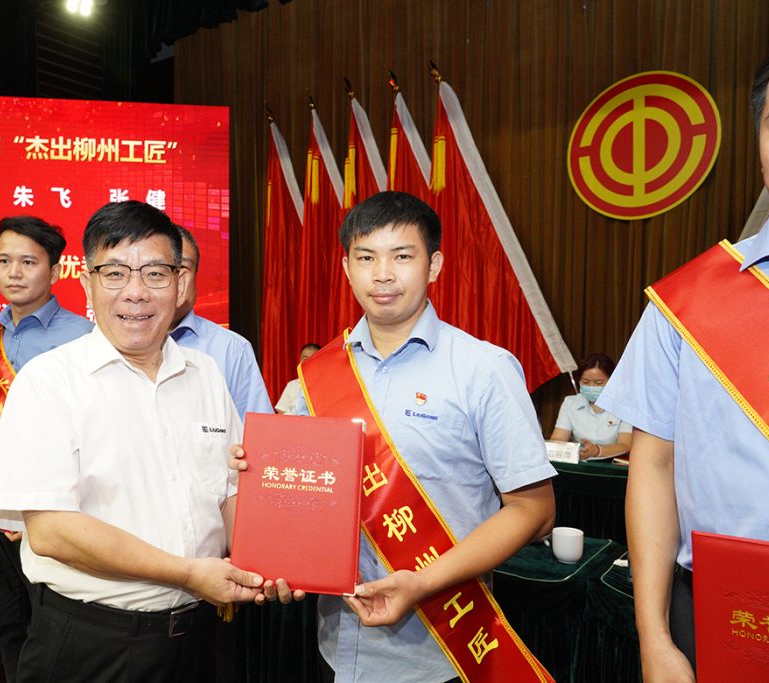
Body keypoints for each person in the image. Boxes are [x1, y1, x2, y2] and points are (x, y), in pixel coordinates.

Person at [235, 191, 557, 682]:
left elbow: (534, 510)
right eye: (366, 258)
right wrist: (258, 478)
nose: (382, 274)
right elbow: (300, 498)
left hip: (441, 649)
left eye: (402, 256)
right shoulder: (315, 378)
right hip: (334, 645)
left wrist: (424, 582)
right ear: (346, 268)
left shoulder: (484, 369)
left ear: (434, 265)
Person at [0, 200, 266, 683]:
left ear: (180, 284)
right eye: (114, 274)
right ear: (87, 283)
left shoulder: (207, 374)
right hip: (92, 643)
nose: (136, 292)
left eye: (155, 273)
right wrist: (188, 573)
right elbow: (51, 531)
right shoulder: (49, 381)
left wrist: (270, 563)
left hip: (201, 636)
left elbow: (230, 491)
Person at [598, 43, 769, 681]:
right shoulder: (689, 303)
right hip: (720, 614)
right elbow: (652, 467)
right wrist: (654, 638)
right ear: (759, 144)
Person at [0, 216, 93, 683]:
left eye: (28, 262)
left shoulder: (82, 337)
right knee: (6, 625)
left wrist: (33, 509)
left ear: (55, 271)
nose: (13, 272)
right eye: (4, 260)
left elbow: (91, 431)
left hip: (53, 512)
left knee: (53, 629)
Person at [170, 225, 273, 421]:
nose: (173, 279)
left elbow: (254, 432)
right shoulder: (113, 342)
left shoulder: (233, 349)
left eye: (181, 268)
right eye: (157, 270)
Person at [548, 353, 632, 460]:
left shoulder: (625, 405)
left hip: (612, 465)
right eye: (585, 382)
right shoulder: (570, 403)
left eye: (598, 383)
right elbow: (558, 439)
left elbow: (625, 446)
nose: (591, 387)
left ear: (612, 381)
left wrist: (597, 451)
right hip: (580, 463)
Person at [274, 343, 321, 414]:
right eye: (305, 358)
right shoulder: (292, 385)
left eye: (312, 358)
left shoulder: (326, 385)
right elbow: (281, 411)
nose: (308, 361)